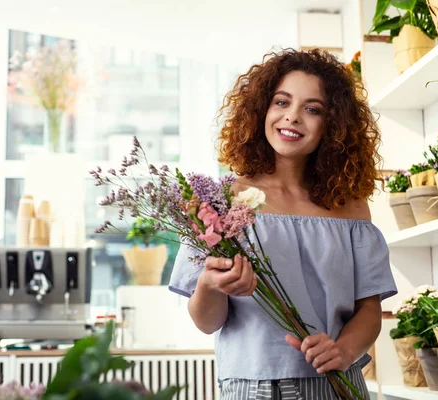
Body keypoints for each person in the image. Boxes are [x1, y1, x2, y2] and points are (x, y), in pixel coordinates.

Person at [168, 48, 398, 400]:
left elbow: (369, 309)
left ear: (333, 125)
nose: (292, 117)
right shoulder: (219, 202)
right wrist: (211, 285)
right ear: (262, 109)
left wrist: (345, 351)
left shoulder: (349, 207)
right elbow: (206, 322)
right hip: (252, 387)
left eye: (312, 109)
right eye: (281, 102)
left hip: (337, 383)